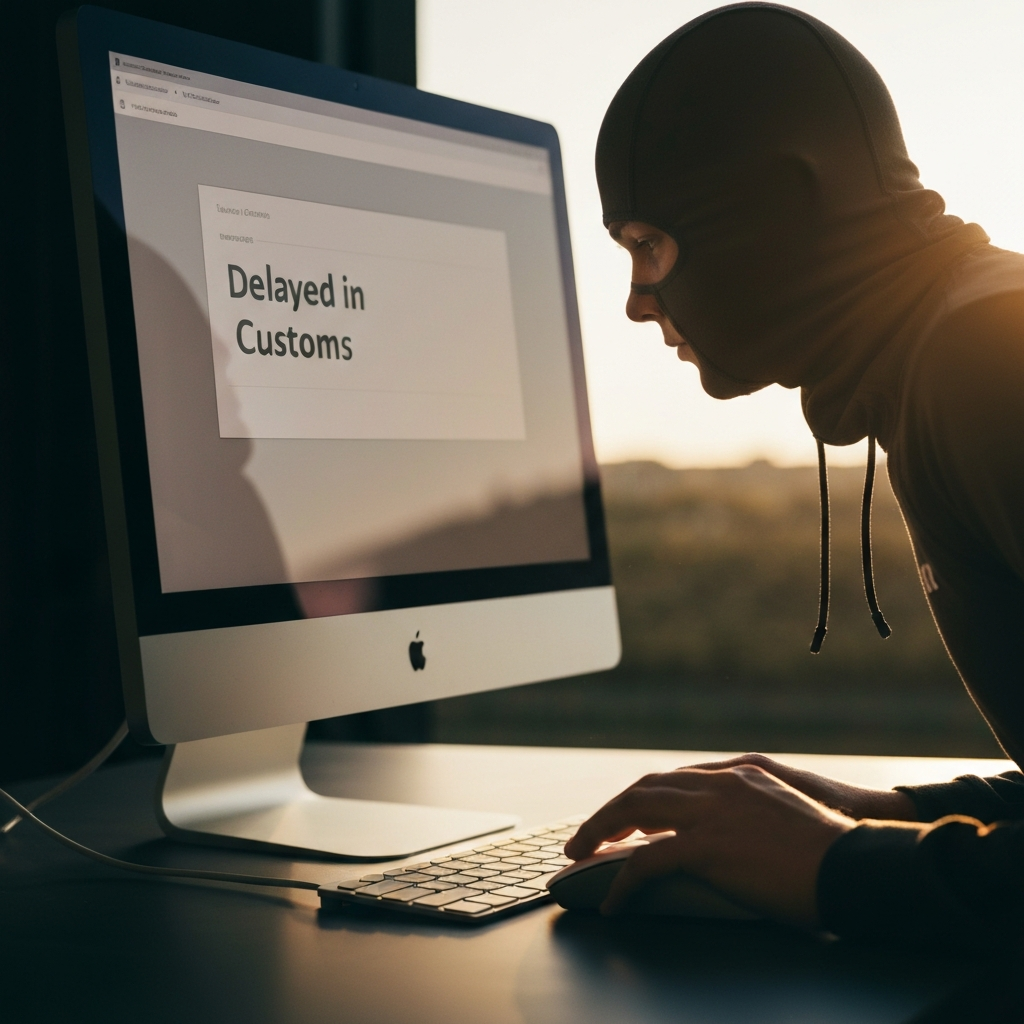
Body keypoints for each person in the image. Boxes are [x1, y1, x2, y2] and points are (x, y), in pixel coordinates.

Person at [565, 3, 1024, 944]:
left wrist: (834, 867)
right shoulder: (949, 350)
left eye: (648, 244)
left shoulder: (986, 369)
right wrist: (880, 812)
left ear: (780, 209)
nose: (635, 303)